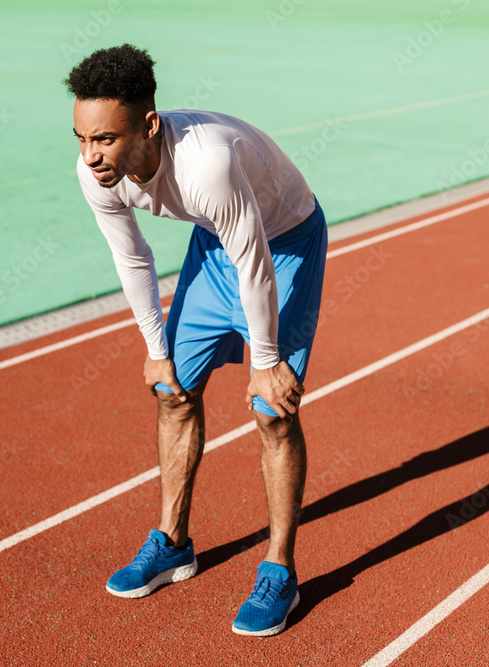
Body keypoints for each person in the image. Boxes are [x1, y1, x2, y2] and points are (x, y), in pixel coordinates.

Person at [66, 43, 327, 637]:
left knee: (273, 409)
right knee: (173, 390)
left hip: (283, 241)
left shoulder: (205, 163)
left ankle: (279, 570)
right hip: (217, 243)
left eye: (104, 139)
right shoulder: (94, 172)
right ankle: (173, 543)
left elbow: (255, 259)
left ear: (149, 124)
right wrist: (156, 351)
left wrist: (265, 363)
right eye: (80, 138)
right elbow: (131, 258)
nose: (90, 155)